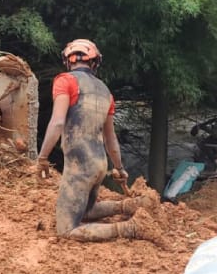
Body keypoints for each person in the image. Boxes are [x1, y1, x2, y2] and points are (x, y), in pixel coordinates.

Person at [36, 39, 158, 242]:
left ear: (68, 60)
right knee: (85, 210)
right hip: (100, 163)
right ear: (94, 63)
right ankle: (129, 206)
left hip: (79, 164)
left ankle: (132, 228)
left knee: (66, 230)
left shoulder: (65, 81)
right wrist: (119, 167)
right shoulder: (105, 92)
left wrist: (42, 158)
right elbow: (111, 138)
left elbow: (57, 123)